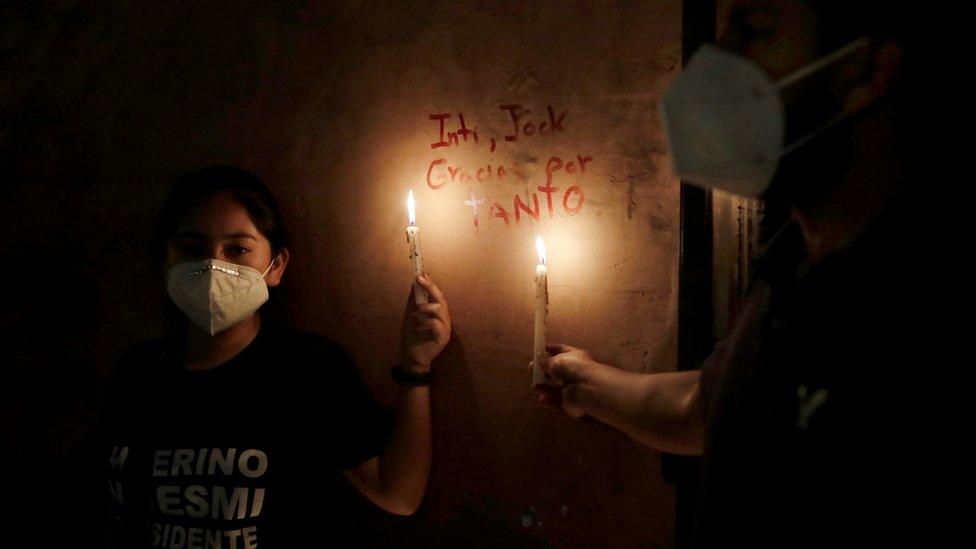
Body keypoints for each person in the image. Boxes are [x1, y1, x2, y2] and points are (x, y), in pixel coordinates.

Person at [532, 1, 944, 546]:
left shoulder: (907, 297)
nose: (712, 64)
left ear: (867, 73)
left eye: (752, 31)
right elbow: (712, 407)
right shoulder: (792, 257)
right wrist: (586, 385)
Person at [96, 166, 452, 547]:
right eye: (192, 248)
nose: (215, 265)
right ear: (166, 261)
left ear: (276, 266)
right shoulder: (138, 372)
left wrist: (416, 367)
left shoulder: (309, 368)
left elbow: (397, 494)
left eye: (238, 249)